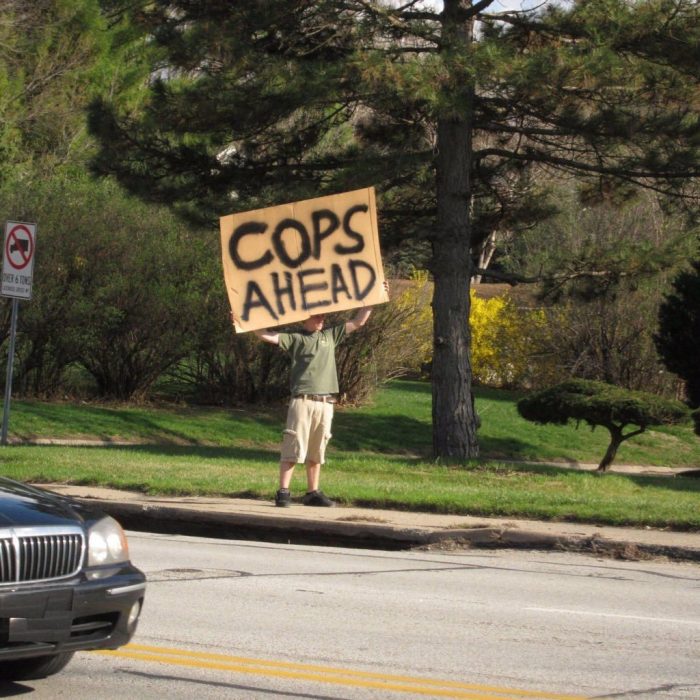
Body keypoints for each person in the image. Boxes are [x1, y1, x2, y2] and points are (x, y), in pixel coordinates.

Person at [252, 293, 386, 508]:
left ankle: (312, 492)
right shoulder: (296, 338)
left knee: (317, 450)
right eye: (316, 316)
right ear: (304, 318)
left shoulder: (330, 336)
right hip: (302, 400)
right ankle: (283, 492)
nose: (321, 319)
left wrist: (372, 299)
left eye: (322, 316)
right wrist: (245, 321)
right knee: (293, 446)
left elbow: (358, 322)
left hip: (326, 403)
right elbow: (267, 336)